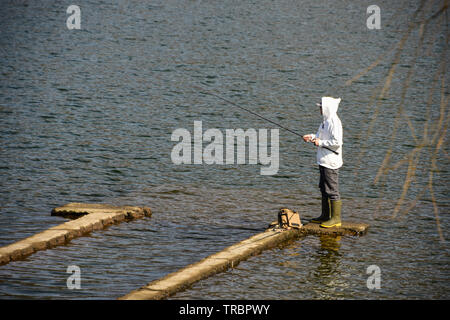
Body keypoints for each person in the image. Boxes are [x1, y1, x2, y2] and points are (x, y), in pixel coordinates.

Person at [303, 97, 343, 228]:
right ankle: (325, 215)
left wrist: (320, 142)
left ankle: (336, 218)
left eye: (321, 107)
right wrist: (312, 137)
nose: (319, 109)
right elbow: (321, 137)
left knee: (332, 190)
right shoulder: (325, 122)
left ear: (327, 108)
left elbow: (337, 143)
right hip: (323, 160)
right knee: (323, 188)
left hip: (330, 161)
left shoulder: (334, 122)